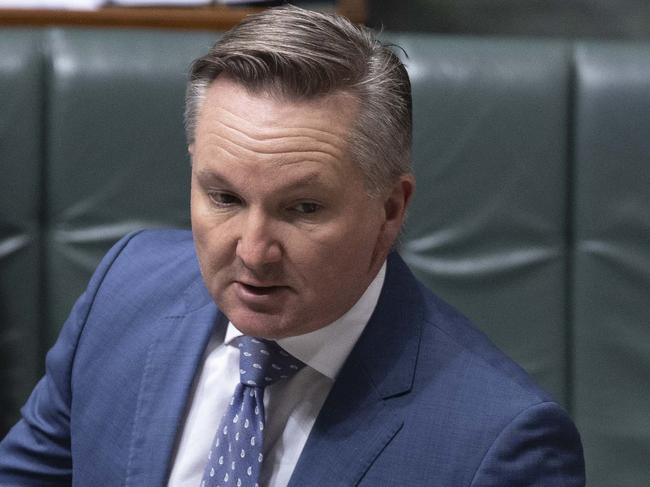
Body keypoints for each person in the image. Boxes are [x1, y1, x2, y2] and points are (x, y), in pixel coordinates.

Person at [0, 6, 584, 486]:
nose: (253, 252)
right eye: (224, 197)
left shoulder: (500, 445)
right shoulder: (122, 290)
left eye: (302, 208)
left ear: (390, 210)